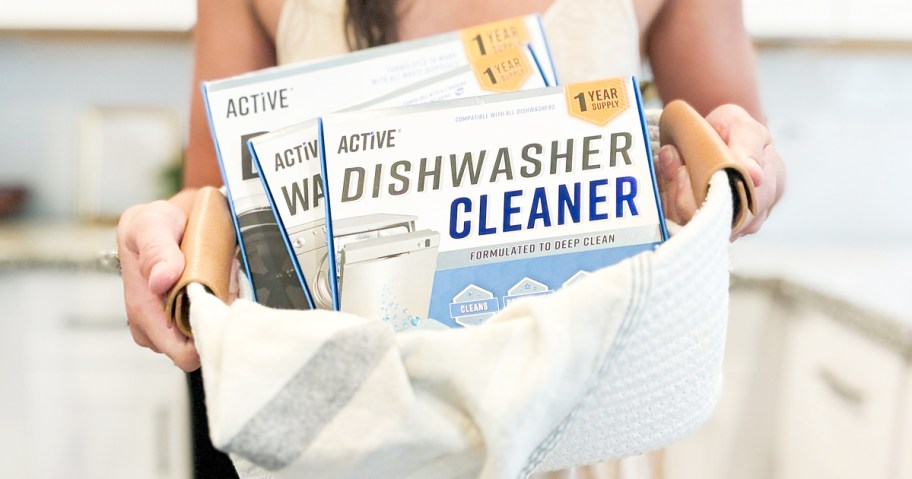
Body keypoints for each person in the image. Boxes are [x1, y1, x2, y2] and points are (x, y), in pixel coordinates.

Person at [116, 0, 786, 477]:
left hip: (571, 435)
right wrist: (168, 235)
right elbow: (218, 201)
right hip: (349, 440)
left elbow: (730, 162)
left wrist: (733, 168)